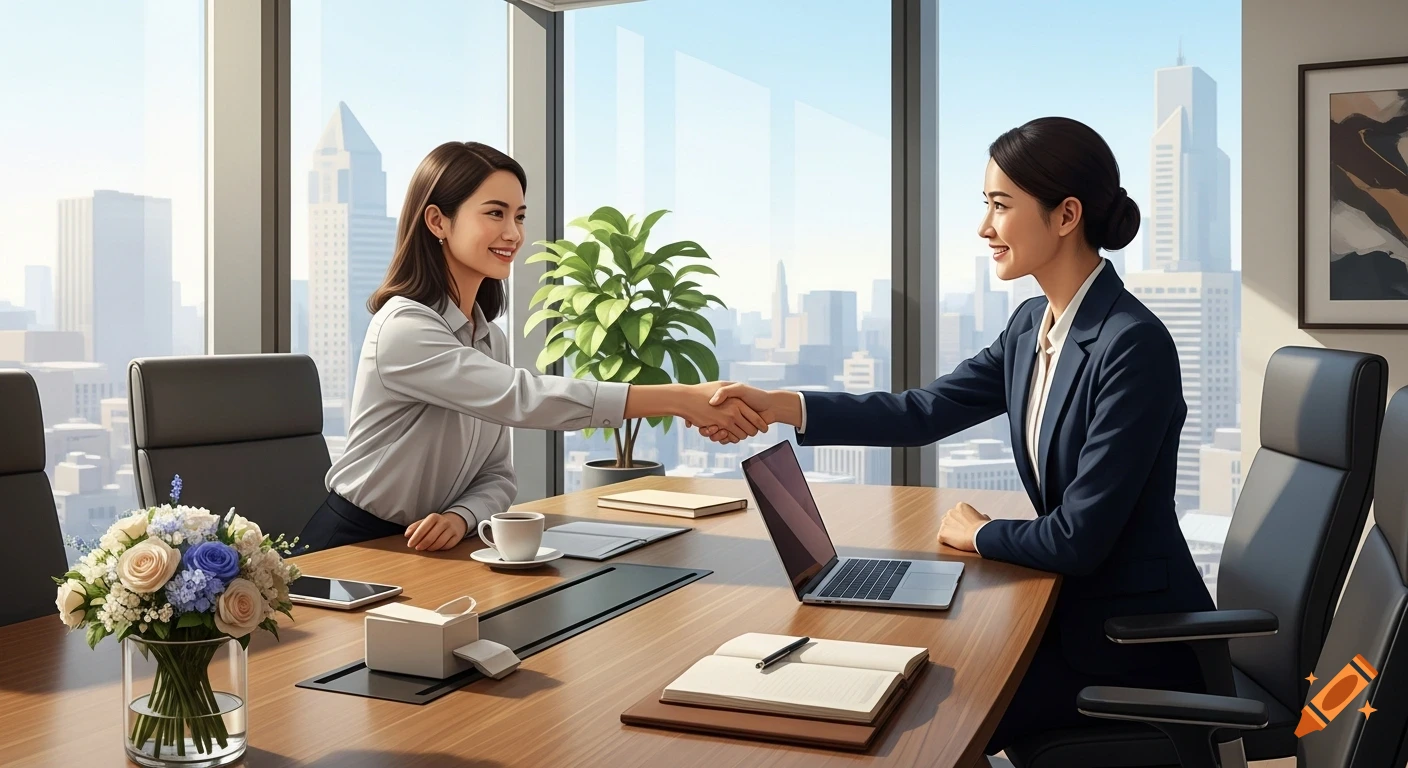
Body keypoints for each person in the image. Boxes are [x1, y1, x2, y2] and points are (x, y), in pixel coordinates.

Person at [699, 117, 1214, 754]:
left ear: (1065, 215)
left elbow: (1079, 539)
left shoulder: (1131, 345)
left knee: (922, 717)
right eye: (985, 205)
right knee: (892, 680)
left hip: (1123, 645)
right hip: (1070, 616)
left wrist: (978, 533)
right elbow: (923, 411)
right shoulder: (1033, 326)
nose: (984, 228)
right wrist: (783, 405)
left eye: (1001, 206)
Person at [299, 141, 765, 554]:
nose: (514, 234)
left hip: (429, 547)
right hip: (352, 544)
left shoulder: (489, 339)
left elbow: (498, 476)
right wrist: (678, 399)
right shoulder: (404, 328)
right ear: (438, 221)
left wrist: (461, 516)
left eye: (519, 216)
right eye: (495, 213)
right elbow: (522, 398)